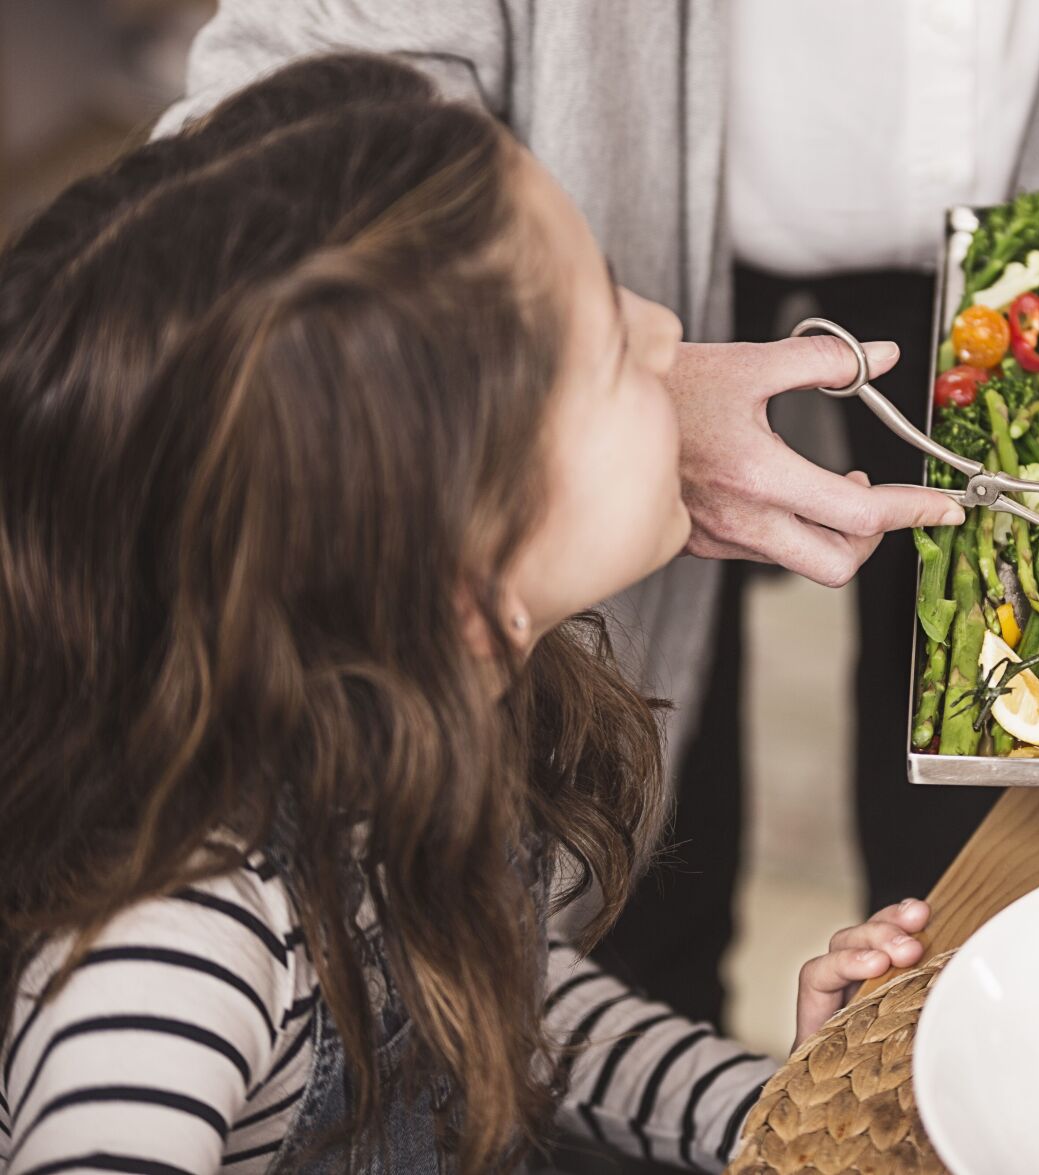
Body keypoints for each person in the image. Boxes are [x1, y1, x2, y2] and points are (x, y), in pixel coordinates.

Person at [159, 0, 1039, 1029]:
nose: (662, 340)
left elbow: (564, 1013)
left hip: (1007, 276)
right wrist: (577, 381)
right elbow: (291, 146)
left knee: (980, 819)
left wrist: (769, 1096)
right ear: (480, 610)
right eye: (629, 342)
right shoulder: (221, 935)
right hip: (538, 318)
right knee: (625, 841)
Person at [0, 55, 934, 1174]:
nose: (662, 328)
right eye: (600, 344)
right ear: (460, 570)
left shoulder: (416, 708)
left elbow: (494, 998)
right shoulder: (173, 954)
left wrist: (775, 1102)